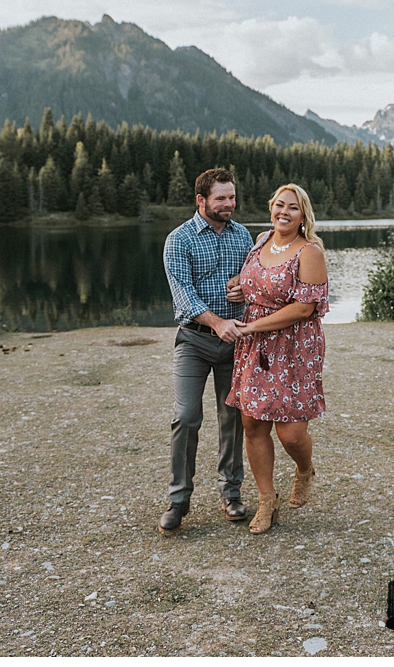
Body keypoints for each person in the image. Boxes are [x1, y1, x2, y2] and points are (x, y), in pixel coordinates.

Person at [226, 184, 330, 534]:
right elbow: (254, 282)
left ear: (304, 216)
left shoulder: (310, 252)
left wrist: (252, 325)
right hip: (255, 347)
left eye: (293, 208)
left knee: (291, 433)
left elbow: (303, 308)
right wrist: (240, 285)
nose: (284, 212)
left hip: (294, 347)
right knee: (253, 424)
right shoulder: (261, 240)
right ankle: (266, 502)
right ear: (271, 207)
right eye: (279, 205)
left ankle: (305, 469)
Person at [158, 167, 254, 534]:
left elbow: (253, 281)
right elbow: (183, 295)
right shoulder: (178, 240)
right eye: (221, 198)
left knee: (233, 418)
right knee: (186, 417)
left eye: (232, 197)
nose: (229, 204)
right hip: (194, 341)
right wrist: (217, 323)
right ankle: (178, 501)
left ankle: (231, 493)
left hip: (236, 343)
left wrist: (245, 289)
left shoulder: (242, 235)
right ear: (201, 200)